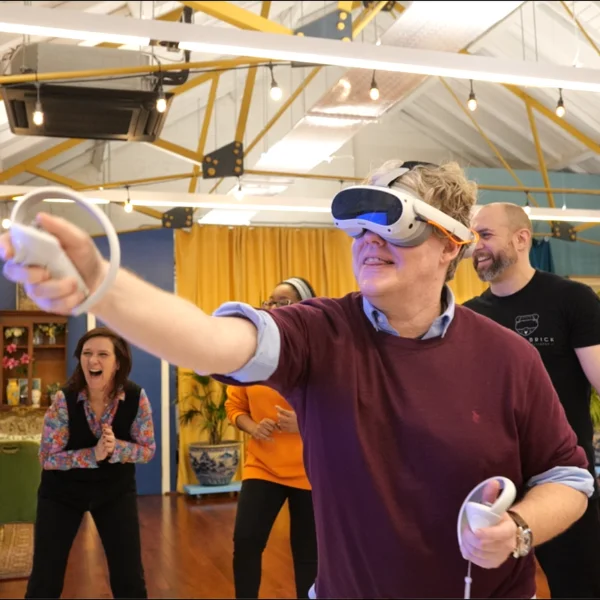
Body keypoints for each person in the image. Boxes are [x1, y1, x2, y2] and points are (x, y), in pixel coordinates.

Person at [1, 161, 595, 599]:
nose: (367, 240)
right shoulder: (321, 334)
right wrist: (101, 285)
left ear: (449, 244)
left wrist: (518, 529)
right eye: (358, 227)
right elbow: (212, 341)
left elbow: (568, 475)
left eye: (390, 224)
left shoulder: (510, 358)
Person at [463, 201, 600, 599]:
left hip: (561, 479)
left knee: (580, 586)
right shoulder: (470, 318)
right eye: (473, 238)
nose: (476, 247)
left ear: (522, 239)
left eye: (485, 235)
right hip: (493, 483)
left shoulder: (572, 300)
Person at [25, 327, 156, 599]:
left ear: (117, 363)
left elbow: (147, 450)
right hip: (61, 494)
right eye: (86, 353)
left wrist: (116, 448)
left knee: (129, 579)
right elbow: (47, 458)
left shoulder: (136, 398)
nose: (92, 361)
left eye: (102, 354)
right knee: (45, 580)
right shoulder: (64, 400)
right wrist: (92, 454)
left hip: (114, 492)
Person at [226, 277, 318, 599]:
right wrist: (252, 427)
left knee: (308, 555)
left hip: (310, 472)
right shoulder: (252, 357)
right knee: (246, 542)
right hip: (262, 466)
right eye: (270, 301)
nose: (274, 308)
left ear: (304, 309)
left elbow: (342, 409)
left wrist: (305, 421)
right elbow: (234, 405)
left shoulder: (319, 356)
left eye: (284, 302)